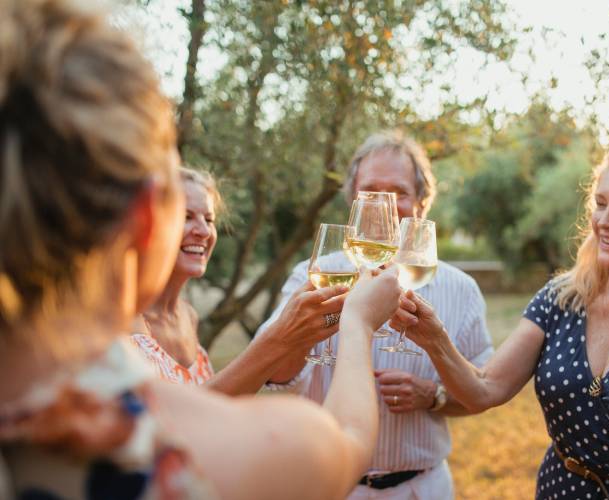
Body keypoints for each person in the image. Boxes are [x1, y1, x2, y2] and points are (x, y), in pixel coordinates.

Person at [0, 1, 401, 499]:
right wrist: (358, 324)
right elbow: (346, 443)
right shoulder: (191, 455)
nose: (199, 228)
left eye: (208, 217)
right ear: (149, 218)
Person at [392, 137, 609, 499]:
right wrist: (434, 338)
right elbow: (484, 389)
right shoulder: (561, 298)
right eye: (601, 204)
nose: (604, 221)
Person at [257, 130, 494, 499]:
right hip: (330, 488)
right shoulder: (313, 274)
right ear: (353, 202)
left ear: (421, 204)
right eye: (370, 192)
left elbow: (484, 389)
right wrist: (306, 330)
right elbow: (275, 375)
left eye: (398, 192)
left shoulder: (460, 290)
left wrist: (435, 396)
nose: (384, 204)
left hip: (422, 489)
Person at [132, 168, 347, 394]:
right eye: (186, 217)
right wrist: (281, 336)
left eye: (209, 219)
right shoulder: (123, 319)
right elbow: (177, 420)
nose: (204, 231)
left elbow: (221, 408)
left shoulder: (188, 316)